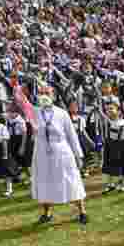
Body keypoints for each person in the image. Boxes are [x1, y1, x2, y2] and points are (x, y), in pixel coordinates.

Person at [17, 81, 88, 225]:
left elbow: (71, 135)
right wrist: (17, 85)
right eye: (41, 93)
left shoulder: (62, 113)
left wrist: (78, 155)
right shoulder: (34, 112)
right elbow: (21, 100)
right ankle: (47, 213)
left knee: (70, 179)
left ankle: (82, 211)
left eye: (47, 93)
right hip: (42, 152)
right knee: (44, 181)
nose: (44, 96)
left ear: (53, 96)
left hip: (61, 151)